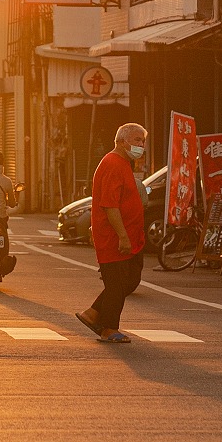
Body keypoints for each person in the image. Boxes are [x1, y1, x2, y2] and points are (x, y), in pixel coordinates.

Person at [78, 122, 149, 344]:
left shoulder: (123, 163)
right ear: (120, 141)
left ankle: (92, 314)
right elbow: (110, 205)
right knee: (117, 284)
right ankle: (109, 328)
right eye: (137, 140)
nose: (141, 145)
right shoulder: (112, 163)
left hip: (127, 235)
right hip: (115, 237)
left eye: (143, 141)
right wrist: (123, 236)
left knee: (128, 280)